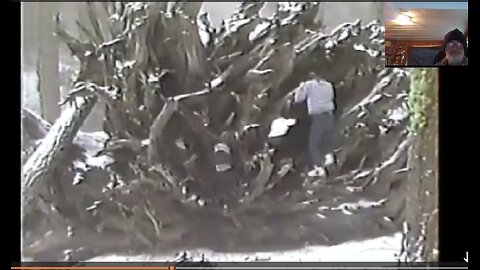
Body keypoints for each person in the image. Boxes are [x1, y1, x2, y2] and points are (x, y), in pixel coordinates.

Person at [288, 72, 336, 177]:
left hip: (318, 117)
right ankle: (329, 158)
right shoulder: (329, 85)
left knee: (313, 144)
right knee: (326, 141)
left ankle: (319, 168)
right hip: (330, 115)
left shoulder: (308, 85)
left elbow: (298, 99)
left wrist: (300, 88)